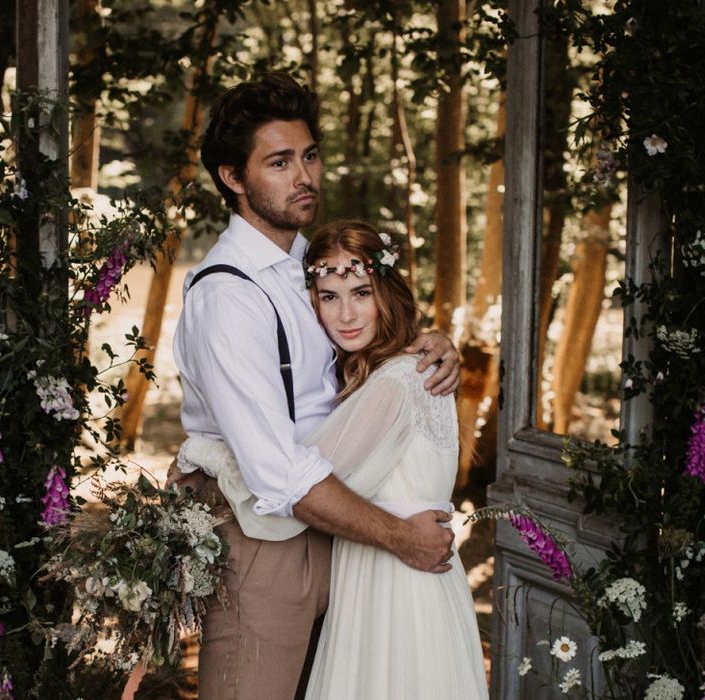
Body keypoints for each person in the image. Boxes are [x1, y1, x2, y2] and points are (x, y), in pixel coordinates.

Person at [170, 72, 461, 700]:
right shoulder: (228, 296)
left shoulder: (310, 267)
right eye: (278, 162)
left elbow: (356, 354)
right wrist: (402, 536)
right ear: (233, 177)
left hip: (343, 536)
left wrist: (428, 341)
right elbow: (277, 474)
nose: (303, 176)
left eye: (308, 156)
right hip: (265, 543)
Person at [301, 221, 488, 700]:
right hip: (415, 587)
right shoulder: (405, 368)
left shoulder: (399, 380)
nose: (346, 313)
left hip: (393, 594)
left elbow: (298, 477)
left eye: (361, 292)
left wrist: (209, 450)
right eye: (328, 296)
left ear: (387, 291)